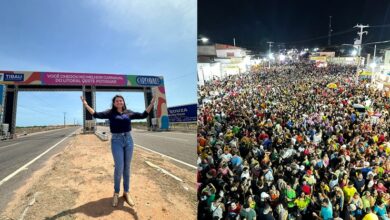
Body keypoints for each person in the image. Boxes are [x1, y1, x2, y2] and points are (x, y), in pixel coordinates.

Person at [81, 94, 156, 207]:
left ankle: (126, 192)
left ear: (123, 102)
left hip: (128, 140)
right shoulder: (110, 113)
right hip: (116, 141)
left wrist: (151, 103)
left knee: (127, 167)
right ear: (114, 103)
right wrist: (86, 104)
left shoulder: (128, 112)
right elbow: (95, 114)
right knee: (119, 167)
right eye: (117, 101)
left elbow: (143, 115)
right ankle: (116, 192)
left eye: (121, 101)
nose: (119, 102)